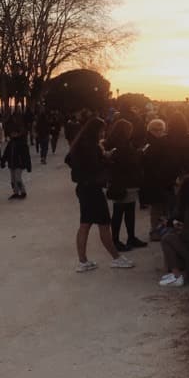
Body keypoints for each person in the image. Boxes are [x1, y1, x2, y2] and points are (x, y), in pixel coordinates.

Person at [65, 116, 135, 272]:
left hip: (83, 187)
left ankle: (83, 261)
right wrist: (106, 158)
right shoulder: (91, 147)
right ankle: (116, 258)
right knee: (103, 224)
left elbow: (68, 160)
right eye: (102, 130)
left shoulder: (78, 144)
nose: (103, 133)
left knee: (85, 224)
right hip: (92, 189)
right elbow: (95, 167)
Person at [104, 118, 147, 252]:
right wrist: (140, 153)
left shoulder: (114, 143)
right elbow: (128, 161)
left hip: (123, 181)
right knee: (121, 212)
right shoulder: (121, 145)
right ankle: (117, 240)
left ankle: (129, 237)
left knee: (127, 211)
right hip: (124, 182)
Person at [1, 120, 32, 199]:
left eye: (14, 133)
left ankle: (23, 191)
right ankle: (15, 192)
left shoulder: (22, 143)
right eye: (12, 133)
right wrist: (3, 161)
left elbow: (26, 155)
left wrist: (28, 165)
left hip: (19, 163)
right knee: (13, 179)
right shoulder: (11, 143)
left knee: (18, 178)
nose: (13, 134)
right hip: (12, 163)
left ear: (18, 133)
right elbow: (6, 152)